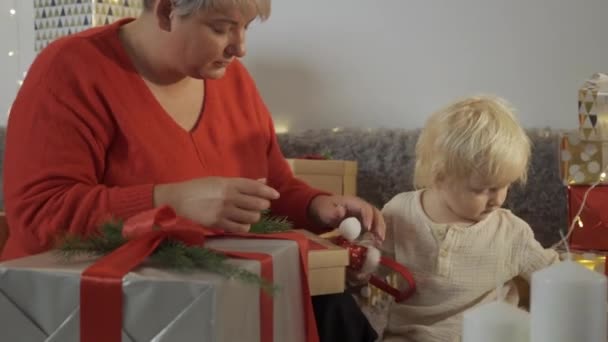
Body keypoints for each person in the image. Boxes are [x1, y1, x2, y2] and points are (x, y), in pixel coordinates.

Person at [2, 0, 383, 340]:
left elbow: (272, 185)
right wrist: (170, 202)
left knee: (330, 306)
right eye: (220, 28)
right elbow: (39, 214)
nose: (241, 48)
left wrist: (317, 206)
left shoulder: (232, 80)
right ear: (167, 10)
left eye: (245, 28)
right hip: (87, 305)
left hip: (210, 292)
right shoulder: (70, 69)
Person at [378, 96, 559, 342]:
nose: (496, 199)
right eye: (481, 189)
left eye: (503, 186)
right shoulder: (400, 212)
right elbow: (373, 274)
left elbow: (553, 275)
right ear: (439, 177)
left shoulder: (511, 232)